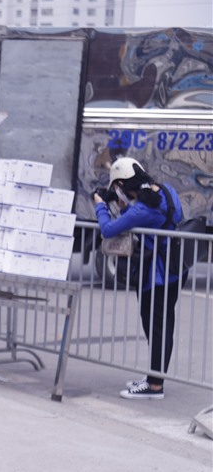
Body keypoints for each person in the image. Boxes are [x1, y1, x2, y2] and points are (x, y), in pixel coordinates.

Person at [93, 157, 182, 400]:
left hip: (156, 275)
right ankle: (155, 376)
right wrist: (125, 203)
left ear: (122, 185)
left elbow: (109, 229)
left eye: (117, 188)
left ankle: (154, 386)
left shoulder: (144, 209)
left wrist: (101, 205)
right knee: (162, 326)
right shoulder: (167, 191)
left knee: (155, 326)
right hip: (174, 270)